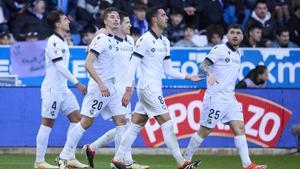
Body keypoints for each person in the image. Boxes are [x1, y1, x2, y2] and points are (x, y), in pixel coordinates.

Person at [111, 6, 203, 169]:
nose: (167, 17)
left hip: (154, 88)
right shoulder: (145, 39)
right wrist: (127, 89)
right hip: (147, 88)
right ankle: (181, 162)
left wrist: (189, 77)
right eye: (163, 15)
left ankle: (118, 158)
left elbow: (168, 70)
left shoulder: (165, 41)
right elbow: (133, 66)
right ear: (154, 19)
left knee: (135, 126)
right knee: (167, 124)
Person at [183, 24, 267, 169]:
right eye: (232, 32)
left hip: (230, 98)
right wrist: (210, 73)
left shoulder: (238, 54)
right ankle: (185, 159)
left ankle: (247, 164)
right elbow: (203, 65)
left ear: (242, 36)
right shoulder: (219, 49)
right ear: (227, 35)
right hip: (216, 98)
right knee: (204, 131)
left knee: (239, 128)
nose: (235, 35)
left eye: (238, 33)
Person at [56, 7, 128, 169]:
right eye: (112, 17)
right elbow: (87, 63)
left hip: (113, 87)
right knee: (86, 122)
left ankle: (119, 159)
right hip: (99, 87)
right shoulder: (101, 38)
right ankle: (64, 155)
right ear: (105, 21)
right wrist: (101, 84)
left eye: (117, 17)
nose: (116, 20)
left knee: (122, 121)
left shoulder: (114, 40)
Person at [82, 11, 149, 169]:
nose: (129, 26)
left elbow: (130, 67)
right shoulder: (107, 39)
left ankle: (93, 148)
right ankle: (125, 161)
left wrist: (130, 87)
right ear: (118, 26)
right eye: (127, 23)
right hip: (112, 87)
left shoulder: (130, 42)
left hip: (125, 87)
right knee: (124, 125)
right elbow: (90, 53)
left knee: (124, 125)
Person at [34, 10, 88, 169]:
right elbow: (59, 67)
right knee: (47, 124)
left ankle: (69, 157)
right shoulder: (53, 41)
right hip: (52, 90)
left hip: (63, 89)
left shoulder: (63, 41)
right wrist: (77, 83)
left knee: (77, 119)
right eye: (65, 19)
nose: (69, 21)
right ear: (58, 23)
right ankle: (39, 161)